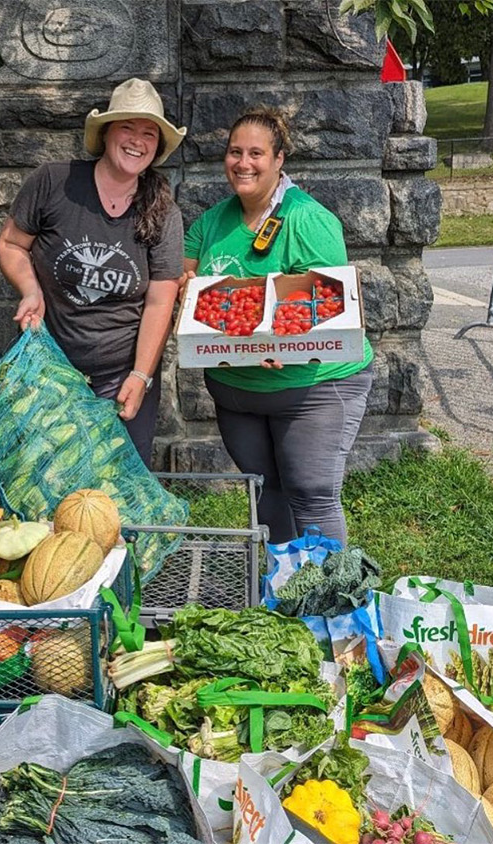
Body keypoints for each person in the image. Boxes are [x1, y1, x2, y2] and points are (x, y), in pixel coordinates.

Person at [181, 107, 373, 545]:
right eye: (234, 152)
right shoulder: (211, 222)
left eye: (256, 153)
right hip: (238, 393)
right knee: (265, 491)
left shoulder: (307, 220)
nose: (243, 163)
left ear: (279, 159)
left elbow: (326, 304)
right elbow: (183, 280)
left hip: (312, 388)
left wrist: (283, 343)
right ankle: (282, 583)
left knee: (311, 492)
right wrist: (184, 289)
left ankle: (327, 600)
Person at [0, 78, 186, 467]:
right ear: (106, 134)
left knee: (118, 489)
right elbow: (12, 245)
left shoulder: (164, 211)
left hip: (122, 374)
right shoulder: (54, 182)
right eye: (127, 128)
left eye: (149, 133)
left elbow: (160, 300)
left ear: (158, 146)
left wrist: (141, 376)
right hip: (47, 368)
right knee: (45, 480)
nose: (137, 140)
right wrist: (30, 290)